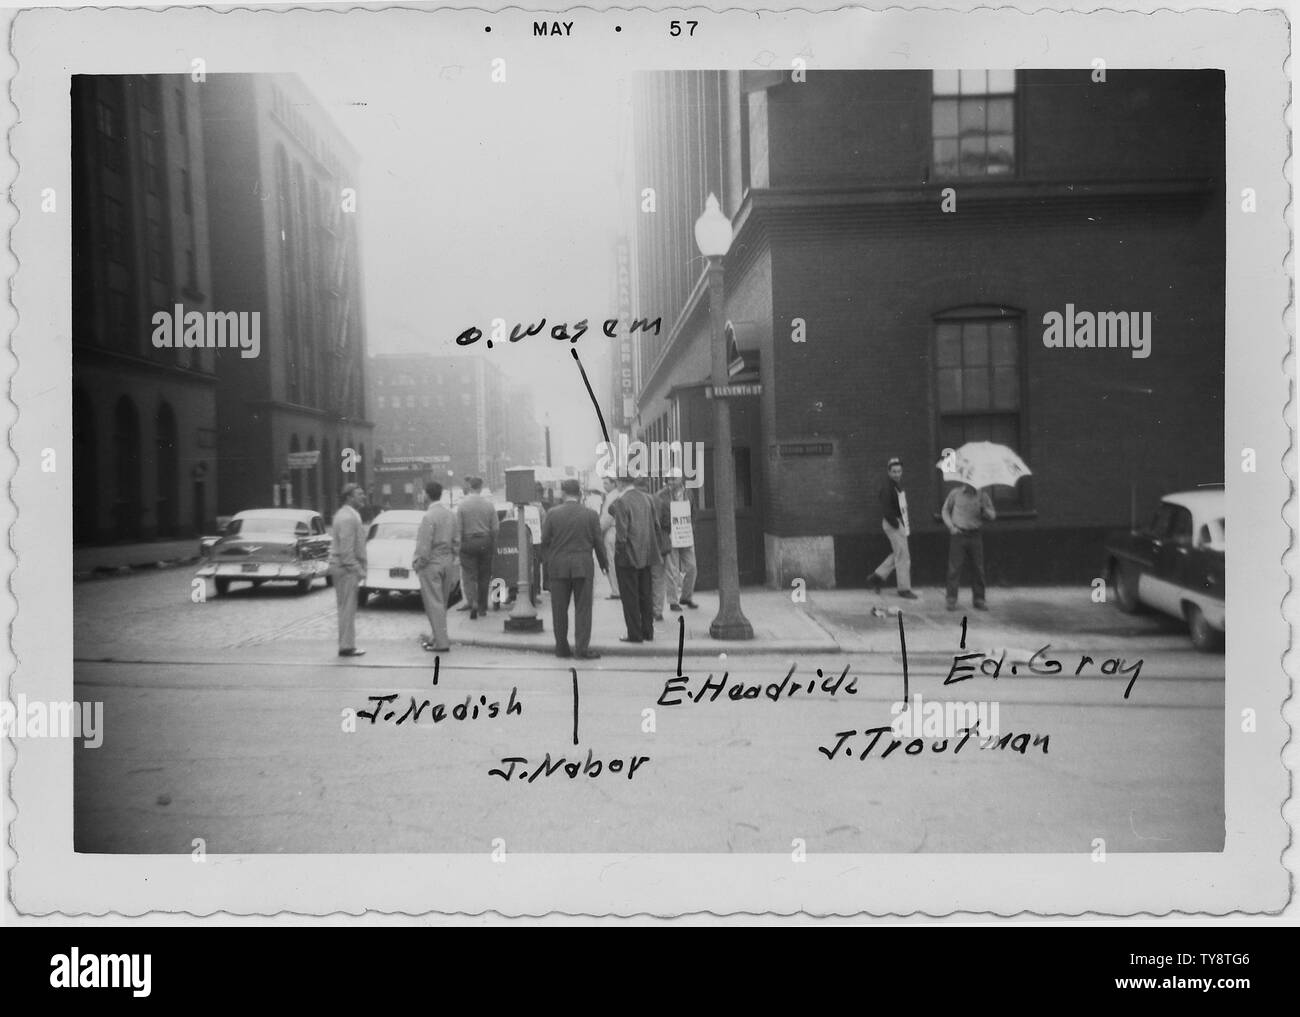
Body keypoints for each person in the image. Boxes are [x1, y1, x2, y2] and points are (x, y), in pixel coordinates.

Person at [541, 479, 609, 659]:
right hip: (582, 566)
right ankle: (581, 649)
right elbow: (598, 543)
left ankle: (561, 648)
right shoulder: (591, 515)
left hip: (558, 567)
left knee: (559, 609)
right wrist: (604, 565)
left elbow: (545, 541)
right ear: (579, 494)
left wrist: (547, 565)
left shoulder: (552, 513)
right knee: (583, 609)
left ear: (563, 493)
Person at [609, 474, 662, 643]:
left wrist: (619, 552)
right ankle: (648, 631)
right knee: (645, 594)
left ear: (620, 482)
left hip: (628, 556)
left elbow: (622, 533)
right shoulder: (648, 499)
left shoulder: (621, 501)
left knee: (630, 596)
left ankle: (634, 633)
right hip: (647, 555)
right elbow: (656, 526)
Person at [414, 480, 460, 651]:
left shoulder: (428, 516)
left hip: (431, 563)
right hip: (447, 562)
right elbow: (457, 541)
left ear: (426, 494)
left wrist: (418, 563)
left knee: (434, 605)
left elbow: (424, 545)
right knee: (442, 604)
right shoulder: (450, 515)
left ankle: (441, 642)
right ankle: (436, 637)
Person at [867, 457, 917, 600]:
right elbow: (886, 509)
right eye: (894, 471)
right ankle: (904, 589)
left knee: (898, 553)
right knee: (903, 556)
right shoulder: (888, 487)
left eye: (899, 471)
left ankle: (876, 577)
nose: (897, 474)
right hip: (893, 523)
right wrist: (896, 523)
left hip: (896, 523)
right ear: (888, 472)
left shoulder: (895, 486)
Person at [941, 482, 996, 611]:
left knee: (978, 568)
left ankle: (979, 599)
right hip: (958, 534)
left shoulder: (983, 496)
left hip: (975, 535)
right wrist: (951, 527)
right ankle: (951, 600)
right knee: (954, 568)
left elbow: (992, 515)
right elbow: (945, 511)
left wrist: (985, 509)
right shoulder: (955, 493)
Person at [329, 483, 368, 657]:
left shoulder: (348, 515)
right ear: (348, 497)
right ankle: (346, 646)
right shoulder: (347, 518)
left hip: (344, 568)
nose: (363, 497)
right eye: (359, 494)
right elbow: (346, 551)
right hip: (346, 569)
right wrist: (358, 569)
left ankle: (346, 644)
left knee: (346, 607)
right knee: (347, 608)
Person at [456, 476, 498, 619]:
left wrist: (460, 544)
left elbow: (458, 529)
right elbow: (495, 528)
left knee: (469, 575)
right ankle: (482, 607)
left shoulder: (462, 505)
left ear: (469, 487)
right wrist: (491, 541)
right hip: (485, 542)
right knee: (484, 576)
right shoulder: (489, 505)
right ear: (480, 487)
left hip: (467, 543)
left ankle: (472, 601)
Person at [660, 476, 699, 611]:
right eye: (668, 479)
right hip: (671, 535)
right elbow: (659, 516)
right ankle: (673, 601)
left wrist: (691, 528)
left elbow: (693, 512)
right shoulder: (661, 495)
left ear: (680, 480)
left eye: (673, 479)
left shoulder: (688, 493)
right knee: (672, 569)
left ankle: (686, 596)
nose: (670, 482)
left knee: (692, 567)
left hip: (685, 534)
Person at [598, 476, 622, 600]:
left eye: (607, 483)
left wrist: (598, 530)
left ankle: (616, 591)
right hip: (618, 530)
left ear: (614, 484)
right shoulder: (618, 495)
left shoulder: (610, 498)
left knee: (611, 561)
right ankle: (618, 589)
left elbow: (606, 518)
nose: (604, 486)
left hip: (611, 531)